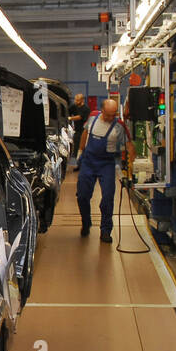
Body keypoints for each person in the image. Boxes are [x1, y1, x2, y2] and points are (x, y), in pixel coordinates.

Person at [76, 97, 130, 242]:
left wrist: (129, 167)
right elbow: (85, 134)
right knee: (82, 196)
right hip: (89, 161)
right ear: (102, 110)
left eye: (114, 115)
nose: (111, 118)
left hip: (107, 163)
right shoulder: (93, 117)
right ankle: (86, 223)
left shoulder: (119, 126)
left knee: (107, 197)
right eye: (108, 114)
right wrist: (80, 153)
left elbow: (129, 145)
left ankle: (105, 230)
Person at [69, 93, 90, 170]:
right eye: (75, 100)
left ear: (82, 100)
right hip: (77, 131)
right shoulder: (74, 107)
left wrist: (70, 118)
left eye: (78, 100)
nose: (76, 101)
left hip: (84, 132)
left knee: (83, 149)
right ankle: (79, 165)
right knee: (77, 148)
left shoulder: (86, 109)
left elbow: (80, 117)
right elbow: (68, 110)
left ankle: (84, 165)